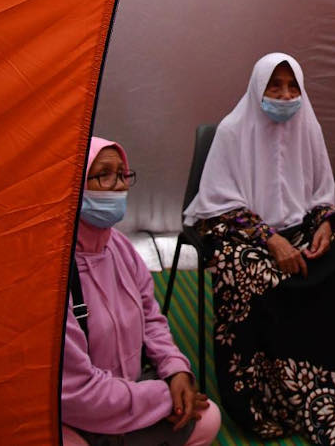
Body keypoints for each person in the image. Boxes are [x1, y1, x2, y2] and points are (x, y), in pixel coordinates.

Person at [183, 52, 335, 446]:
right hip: (240, 230)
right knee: (254, 274)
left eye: (293, 86)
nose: (285, 94)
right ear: (258, 87)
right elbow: (217, 202)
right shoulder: (232, 131)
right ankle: (262, 394)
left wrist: (324, 223)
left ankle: (331, 384)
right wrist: (268, 239)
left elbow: (322, 192)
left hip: (297, 228)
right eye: (275, 85)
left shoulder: (308, 127)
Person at [62, 137, 221, 446]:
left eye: (122, 174)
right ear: (75, 184)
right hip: (78, 414)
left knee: (208, 418)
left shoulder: (120, 247)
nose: (118, 185)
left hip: (132, 395)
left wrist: (175, 370)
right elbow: (77, 392)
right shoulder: (57, 275)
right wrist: (164, 398)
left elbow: (152, 320)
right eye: (104, 175)